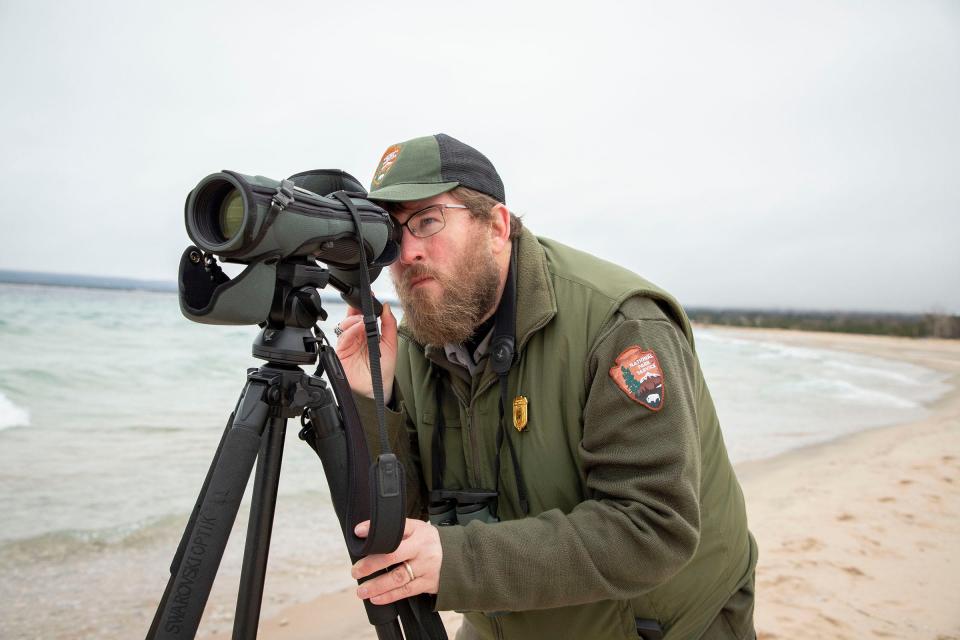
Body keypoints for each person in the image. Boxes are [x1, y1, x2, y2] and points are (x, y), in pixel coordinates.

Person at [334, 133, 757, 640]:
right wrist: (372, 403)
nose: (407, 252)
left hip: (666, 625)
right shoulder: (414, 344)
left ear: (496, 227)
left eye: (427, 220)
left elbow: (653, 528)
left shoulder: (621, 324)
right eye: (391, 232)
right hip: (507, 620)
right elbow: (404, 528)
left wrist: (459, 560)